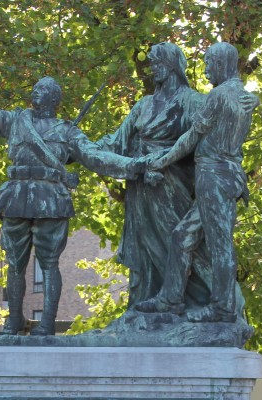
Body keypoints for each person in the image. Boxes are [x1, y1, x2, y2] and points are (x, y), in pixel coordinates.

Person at [0, 31, 149, 336]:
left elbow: (96, 156)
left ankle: (46, 324)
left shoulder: (67, 133)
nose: (35, 91)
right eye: (35, 87)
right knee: (15, 264)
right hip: (17, 196)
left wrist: (136, 167)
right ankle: (13, 321)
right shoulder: (15, 121)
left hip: (50, 198)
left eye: (41, 89)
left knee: (49, 264)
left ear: (52, 98)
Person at [95, 43, 222, 313]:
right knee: (145, 251)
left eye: (157, 63)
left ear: (173, 65)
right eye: (151, 63)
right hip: (141, 189)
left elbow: (207, 147)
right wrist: (76, 146)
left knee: (178, 244)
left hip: (172, 187)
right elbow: (116, 142)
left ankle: (211, 302)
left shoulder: (194, 102)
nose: (153, 69)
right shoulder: (144, 105)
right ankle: (147, 307)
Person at [136, 42, 258, 323]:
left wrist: (163, 159)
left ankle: (223, 309)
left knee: (219, 245)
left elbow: (192, 137)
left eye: (208, 63)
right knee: (182, 236)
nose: (204, 70)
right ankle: (171, 299)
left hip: (213, 176)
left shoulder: (218, 96)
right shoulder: (243, 96)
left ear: (221, 64)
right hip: (225, 176)